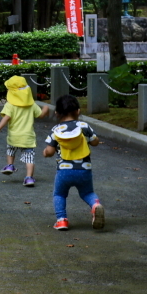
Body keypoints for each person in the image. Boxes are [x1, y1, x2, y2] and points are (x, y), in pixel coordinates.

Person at [43, 94, 105, 231]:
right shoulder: (84, 126)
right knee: (87, 193)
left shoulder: (56, 130)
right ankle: (95, 206)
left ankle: (61, 220)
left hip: (64, 171)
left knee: (59, 194)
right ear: (78, 111)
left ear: (57, 113)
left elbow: (50, 151)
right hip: (84, 170)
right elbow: (95, 142)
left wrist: (45, 153)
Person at [0, 75, 50, 187]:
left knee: (11, 151)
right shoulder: (32, 105)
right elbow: (40, 115)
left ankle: (10, 165)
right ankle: (29, 178)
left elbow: (6, 118)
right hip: (28, 137)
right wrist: (45, 109)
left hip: (14, 136)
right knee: (29, 159)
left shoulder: (10, 105)